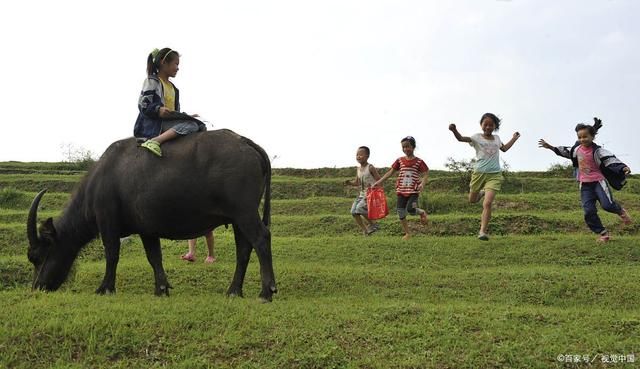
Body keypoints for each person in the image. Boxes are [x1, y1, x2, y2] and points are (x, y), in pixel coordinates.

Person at [538, 117, 632, 243]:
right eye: (579, 137)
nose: (582, 139)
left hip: (598, 182)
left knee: (607, 205)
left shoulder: (598, 151)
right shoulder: (576, 150)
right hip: (585, 185)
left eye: (585, 137)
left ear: (592, 137)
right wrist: (549, 146)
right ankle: (603, 233)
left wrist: (623, 168)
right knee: (588, 211)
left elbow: (610, 159)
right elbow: (564, 151)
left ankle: (620, 211)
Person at [448, 113, 520, 241]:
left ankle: (482, 232)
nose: (488, 127)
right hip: (479, 174)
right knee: (472, 200)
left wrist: (514, 138)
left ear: (495, 126)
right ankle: (481, 193)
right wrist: (454, 130)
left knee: (487, 203)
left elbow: (505, 149)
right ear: (481, 125)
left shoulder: (497, 139)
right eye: (485, 124)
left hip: (495, 175)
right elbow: (461, 138)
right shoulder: (476, 137)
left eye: (491, 125)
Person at [133, 47, 205, 157]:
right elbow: (143, 104)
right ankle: (155, 140)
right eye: (175, 64)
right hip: (155, 124)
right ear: (163, 63)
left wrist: (186, 116)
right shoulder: (153, 81)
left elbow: (174, 111)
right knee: (192, 125)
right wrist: (158, 110)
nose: (178, 68)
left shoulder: (174, 89)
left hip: (168, 123)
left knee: (200, 126)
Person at [373, 136, 429, 240]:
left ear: (413, 147)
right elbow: (390, 173)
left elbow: (426, 173)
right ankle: (407, 233)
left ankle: (421, 212)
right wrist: (379, 182)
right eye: (403, 147)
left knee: (411, 210)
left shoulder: (419, 161)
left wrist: (423, 183)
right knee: (400, 211)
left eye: (407, 146)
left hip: (413, 191)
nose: (405, 149)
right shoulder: (399, 160)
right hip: (401, 190)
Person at [344, 146, 382, 235]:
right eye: (357, 155)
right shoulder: (358, 169)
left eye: (361, 154)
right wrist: (349, 183)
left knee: (360, 209)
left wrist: (376, 190)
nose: (358, 156)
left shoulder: (370, 167)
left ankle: (374, 224)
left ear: (367, 156)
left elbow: (379, 180)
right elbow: (357, 182)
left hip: (370, 193)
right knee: (353, 212)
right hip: (362, 194)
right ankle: (365, 231)